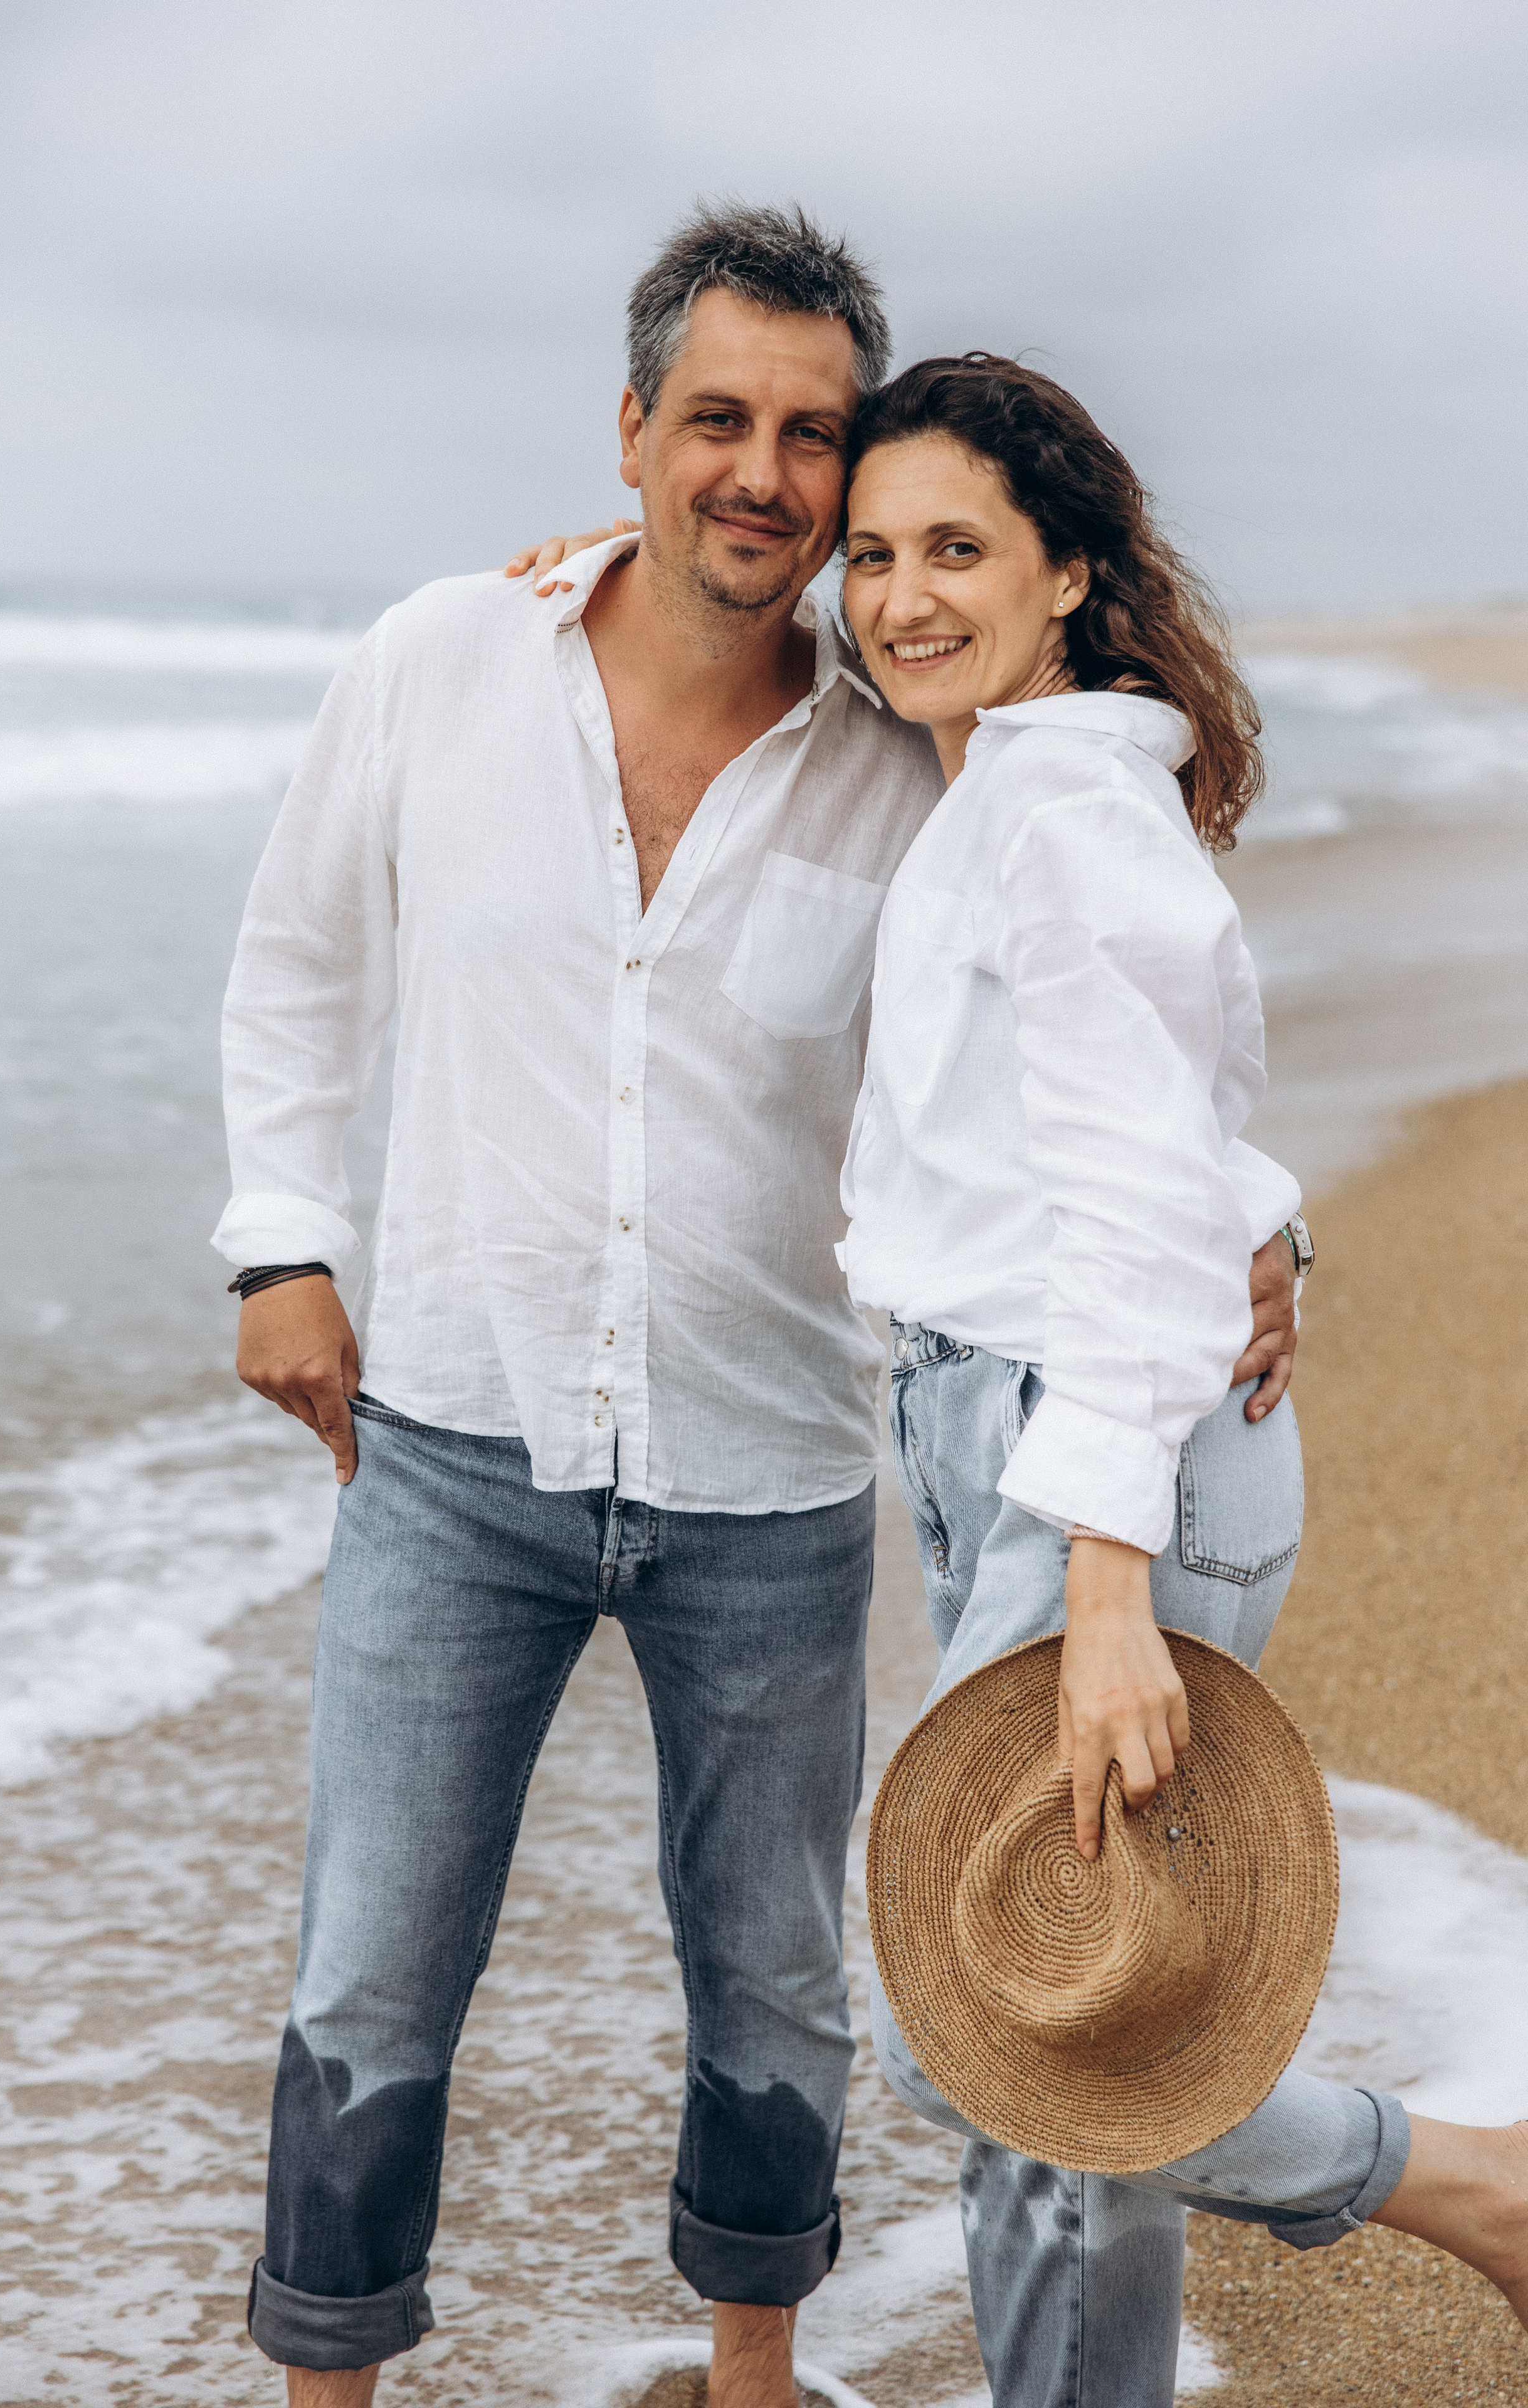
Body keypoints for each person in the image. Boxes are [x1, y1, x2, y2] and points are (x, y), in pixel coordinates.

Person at [213, 202, 946, 2408]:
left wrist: (1253, 1221)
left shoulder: (912, 758)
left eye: (814, 436)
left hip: (773, 1468)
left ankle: (751, 2377)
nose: (763, 473)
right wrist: (281, 1243)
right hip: (452, 1444)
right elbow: (300, 959)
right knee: (370, 1981)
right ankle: (328, 2384)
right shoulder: (446, 655)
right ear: (630, 431)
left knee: (774, 1980)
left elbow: (1074, 1012)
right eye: (716, 417)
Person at [833, 351, 1528, 2405]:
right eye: (871, 555)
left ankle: (1464, 2187)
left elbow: (1139, 1189)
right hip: (1028, 1417)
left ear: (1068, 575)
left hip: (1096, 1450)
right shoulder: (1012, 780)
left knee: (989, 2012)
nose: (900, 597)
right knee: (1068, 2000)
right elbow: (1180, 1124)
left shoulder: (1058, 807)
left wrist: (1108, 1573)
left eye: (957, 548)